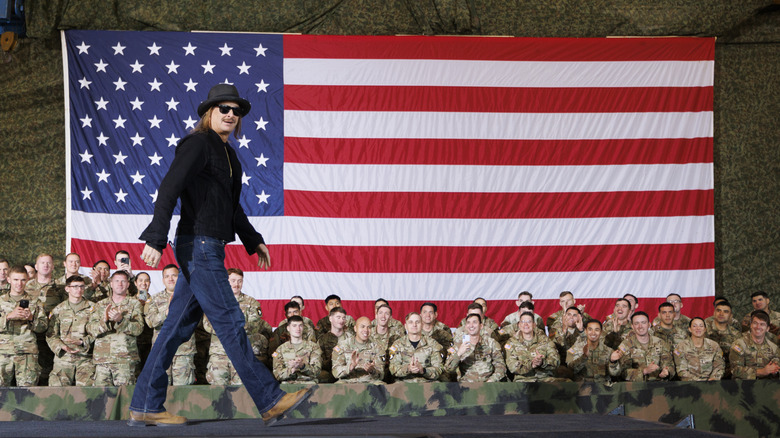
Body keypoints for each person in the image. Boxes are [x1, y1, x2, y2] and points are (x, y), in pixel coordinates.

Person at [129, 84, 310, 428]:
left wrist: (253, 240)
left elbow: (231, 206)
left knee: (175, 329)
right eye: (223, 108)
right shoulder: (197, 144)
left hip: (206, 246)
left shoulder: (228, 154)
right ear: (208, 112)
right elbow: (170, 186)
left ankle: (145, 405)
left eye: (235, 110)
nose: (230, 114)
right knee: (229, 321)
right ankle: (270, 399)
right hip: (198, 246)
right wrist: (155, 236)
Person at [203, 268, 270, 384]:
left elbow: (256, 326)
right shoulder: (215, 301)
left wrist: (233, 328)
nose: (236, 284)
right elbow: (207, 325)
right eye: (233, 280)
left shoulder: (251, 303)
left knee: (241, 391)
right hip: (220, 354)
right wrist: (232, 328)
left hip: (242, 353)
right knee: (218, 392)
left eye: (239, 281)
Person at [87, 270, 144, 386]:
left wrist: (121, 321)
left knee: (124, 398)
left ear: (128, 284)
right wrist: (105, 322)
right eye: (116, 281)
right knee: (101, 399)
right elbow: (90, 329)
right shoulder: (100, 305)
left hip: (125, 360)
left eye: (123, 281)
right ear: (111, 284)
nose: (120, 284)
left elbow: (138, 329)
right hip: (102, 360)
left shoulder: (135, 304)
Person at [144, 265, 196, 385]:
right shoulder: (154, 299)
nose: (170, 279)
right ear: (163, 280)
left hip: (183, 350)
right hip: (161, 350)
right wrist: (166, 313)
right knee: (159, 388)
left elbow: (195, 321)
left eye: (174, 275)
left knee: (183, 391)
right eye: (167, 276)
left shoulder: (190, 298)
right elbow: (150, 322)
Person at [0, 265, 48, 386]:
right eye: (16, 279)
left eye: (23, 280)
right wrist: (9, 316)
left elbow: (43, 327)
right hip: (3, 353)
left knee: (27, 394)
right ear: (9, 279)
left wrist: (31, 319)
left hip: (27, 353)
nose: (19, 283)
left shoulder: (35, 301)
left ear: (27, 280)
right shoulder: (1, 301)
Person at [46, 275, 96, 386]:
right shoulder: (58, 310)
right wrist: (62, 347)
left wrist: (83, 341)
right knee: (57, 393)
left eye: (82, 286)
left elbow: (97, 332)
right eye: (75, 286)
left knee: (86, 395)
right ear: (67, 288)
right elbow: (51, 335)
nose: (79, 289)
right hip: (63, 358)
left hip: (85, 358)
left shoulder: (93, 308)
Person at [610, 312, 674, 382]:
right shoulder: (625, 345)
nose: (640, 326)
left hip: (659, 386)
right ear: (632, 326)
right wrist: (644, 371)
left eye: (643, 322)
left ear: (649, 324)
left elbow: (669, 365)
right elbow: (622, 372)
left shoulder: (661, 343)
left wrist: (667, 371)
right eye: (636, 323)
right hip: (635, 388)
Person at [445, 313, 506, 382]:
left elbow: (501, 366)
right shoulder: (459, 344)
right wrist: (459, 353)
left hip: (488, 384)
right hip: (466, 385)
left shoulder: (491, 343)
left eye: (474, 322)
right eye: (468, 323)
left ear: (481, 326)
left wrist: (491, 380)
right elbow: (448, 369)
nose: (471, 325)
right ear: (465, 326)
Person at [504, 312, 561, 382]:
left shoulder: (545, 340)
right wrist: (531, 364)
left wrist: (542, 362)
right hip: (523, 380)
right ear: (519, 325)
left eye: (529, 321)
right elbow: (512, 366)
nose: (525, 324)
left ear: (534, 325)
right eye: (523, 321)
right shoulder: (511, 342)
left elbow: (556, 361)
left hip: (545, 379)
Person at [389, 312, 444, 382]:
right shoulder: (397, 345)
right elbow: (393, 369)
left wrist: (423, 370)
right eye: (411, 322)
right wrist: (408, 368)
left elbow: (439, 369)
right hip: (403, 383)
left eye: (417, 322)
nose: (414, 325)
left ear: (422, 325)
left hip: (427, 383)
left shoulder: (433, 344)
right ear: (405, 326)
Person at [332, 316, 386, 383]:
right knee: (337, 387)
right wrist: (350, 367)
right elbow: (335, 372)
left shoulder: (378, 347)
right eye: (362, 326)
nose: (366, 330)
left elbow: (381, 375)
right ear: (355, 329)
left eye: (369, 327)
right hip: (348, 381)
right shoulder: (342, 346)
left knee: (381, 385)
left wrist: (372, 370)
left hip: (369, 382)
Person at [730, 310, 779, 380]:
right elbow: (735, 369)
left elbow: (777, 366)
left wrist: (775, 369)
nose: (758, 327)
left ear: (767, 329)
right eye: (755, 323)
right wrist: (761, 372)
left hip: (767, 385)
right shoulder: (739, 345)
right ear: (750, 325)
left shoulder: (774, 348)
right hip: (744, 385)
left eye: (762, 324)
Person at [272, 315, 321, 384]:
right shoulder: (280, 349)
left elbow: (317, 372)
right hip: (288, 386)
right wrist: (292, 370)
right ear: (288, 328)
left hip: (309, 384)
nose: (298, 329)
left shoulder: (313, 347)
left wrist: (302, 366)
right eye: (294, 326)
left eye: (300, 325)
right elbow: (277, 374)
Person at [317, 307, 354, 382]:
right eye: (338, 317)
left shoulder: (351, 338)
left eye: (343, 318)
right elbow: (319, 362)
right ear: (330, 319)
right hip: (329, 372)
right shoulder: (323, 340)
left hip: (347, 370)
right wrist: (331, 359)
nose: (341, 320)